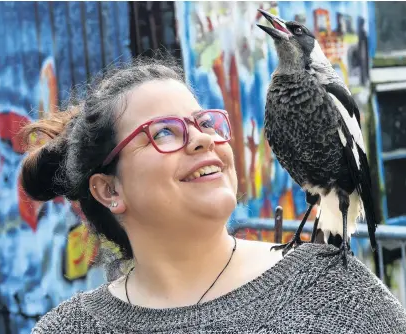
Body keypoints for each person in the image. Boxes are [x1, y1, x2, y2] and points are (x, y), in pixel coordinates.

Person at [23, 57, 406, 334]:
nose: (203, 138)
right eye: (164, 132)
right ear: (109, 190)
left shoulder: (330, 289)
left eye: (204, 122)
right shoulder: (70, 328)